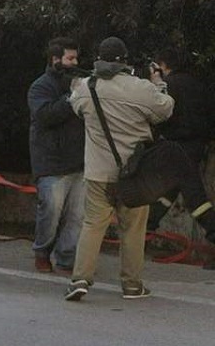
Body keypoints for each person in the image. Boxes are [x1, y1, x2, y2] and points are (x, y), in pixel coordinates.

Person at [66, 37, 174, 301]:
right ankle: (132, 285)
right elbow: (166, 109)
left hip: (97, 172)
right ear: (124, 61)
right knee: (133, 229)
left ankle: (80, 279)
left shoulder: (86, 87)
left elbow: (75, 105)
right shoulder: (140, 88)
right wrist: (160, 84)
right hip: (135, 174)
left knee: (92, 224)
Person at [146, 47, 215, 267]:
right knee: (166, 191)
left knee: (195, 198)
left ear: (163, 65)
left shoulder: (169, 86)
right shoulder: (200, 86)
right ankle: (145, 228)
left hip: (177, 147)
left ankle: (143, 230)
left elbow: (158, 115)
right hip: (196, 147)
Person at [27, 37, 86, 273]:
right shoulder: (40, 87)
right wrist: (71, 98)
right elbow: (45, 115)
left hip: (78, 161)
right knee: (50, 213)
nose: (75, 62)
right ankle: (42, 253)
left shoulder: (77, 84)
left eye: (76, 58)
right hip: (51, 162)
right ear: (55, 60)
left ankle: (67, 257)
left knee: (77, 216)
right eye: (70, 58)